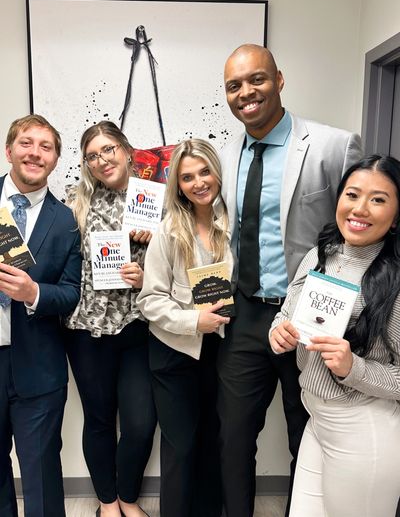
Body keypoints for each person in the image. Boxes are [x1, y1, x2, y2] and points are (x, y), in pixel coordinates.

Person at [217, 43, 363, 517]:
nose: (246, 93)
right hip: (245, 314)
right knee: (234, 435)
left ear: (279, 80)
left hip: (313, 317)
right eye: (234, 86)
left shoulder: (334, 145)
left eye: (256, 79)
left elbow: (361, 223)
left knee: (309, 431)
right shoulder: (228, 150)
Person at [269, 155, 400, 517]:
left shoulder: (395, 281)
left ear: (395, 216)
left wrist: (352, 367)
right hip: (317, 420)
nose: (360, 208)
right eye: (352, 194)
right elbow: (286, 312)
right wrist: (278, 332)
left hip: (364, 430)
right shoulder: (319, 255)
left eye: (378, 199)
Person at [64, 121, 157, 517]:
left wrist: (147, 270)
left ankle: (130, 497)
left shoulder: (155, 200)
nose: (102, 160)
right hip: (86, 328)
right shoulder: (75, 202)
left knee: (139, 423)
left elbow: (180, 263)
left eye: (108, 150)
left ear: (126, 150)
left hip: (137, 324)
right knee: (99, 419)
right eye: (92, 155)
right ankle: (109, 503)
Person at [137, 139, 233, 517]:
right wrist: (195, 320)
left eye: (205, 172)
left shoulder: (232, 224)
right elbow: (150, 301)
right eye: (187, 177)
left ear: (218, 173)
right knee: (181, 447)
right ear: (177, 185)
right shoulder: (168, 231)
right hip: (174, 353)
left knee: (213, 442)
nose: (198, 183)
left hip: (221, 352)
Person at [0, 114, 82, 517]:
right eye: (27, 143)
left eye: (45, 147)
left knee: (42, 475)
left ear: (55, 159)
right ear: (9, 149)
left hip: (39, 367)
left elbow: (71, 294)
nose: (35, 153)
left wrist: (34, 293)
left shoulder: (66, 221)